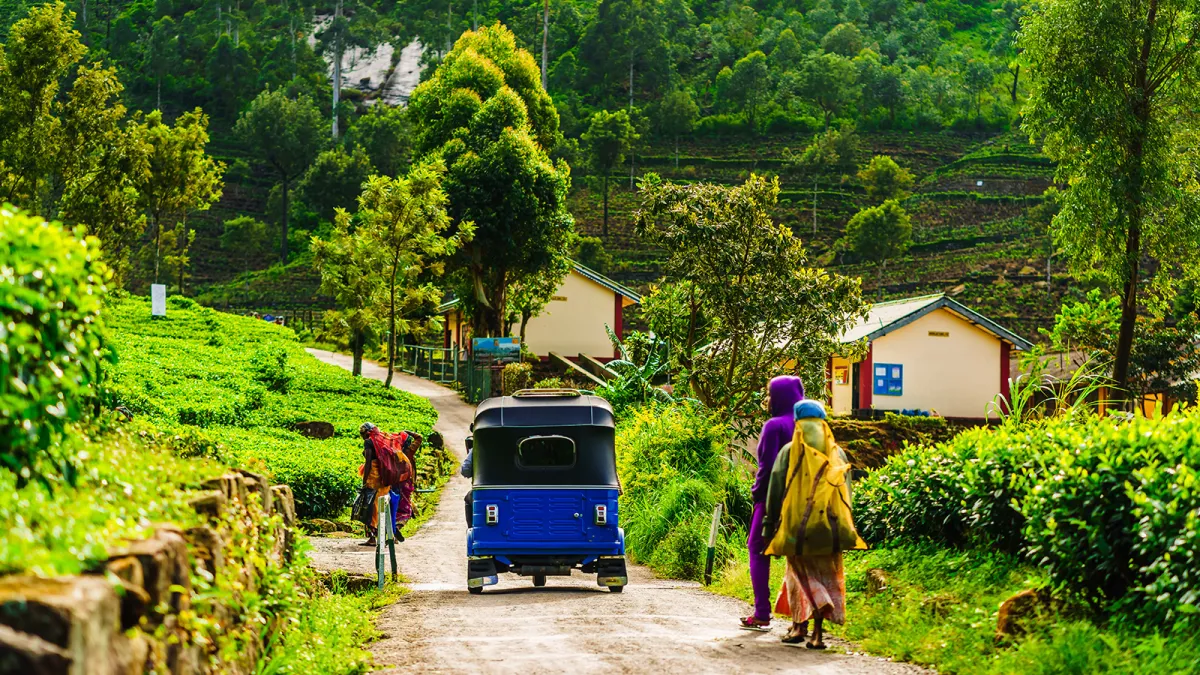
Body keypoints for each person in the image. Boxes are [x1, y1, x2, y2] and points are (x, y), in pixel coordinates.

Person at [768, 399, 861, 649]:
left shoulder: (789, 451)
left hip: (797, 529)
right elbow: (847, 494)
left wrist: (770, 526)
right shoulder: (837, 453)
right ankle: (816, 634)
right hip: (831, 531)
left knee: (800, 578)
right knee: (825, 577)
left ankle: (799, 628)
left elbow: (776, 491)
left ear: (798, 423)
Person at [740, 375, 805, 631]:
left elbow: (766, 469)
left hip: (772, 500)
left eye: (769, 394)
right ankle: (801, 619)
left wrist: (757, 494)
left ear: (779, 397)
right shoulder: (810, 425)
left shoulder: (774, 425)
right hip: (806, 499)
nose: (767, 399)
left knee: (756, 548)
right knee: (799, 556)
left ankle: (762, 612)